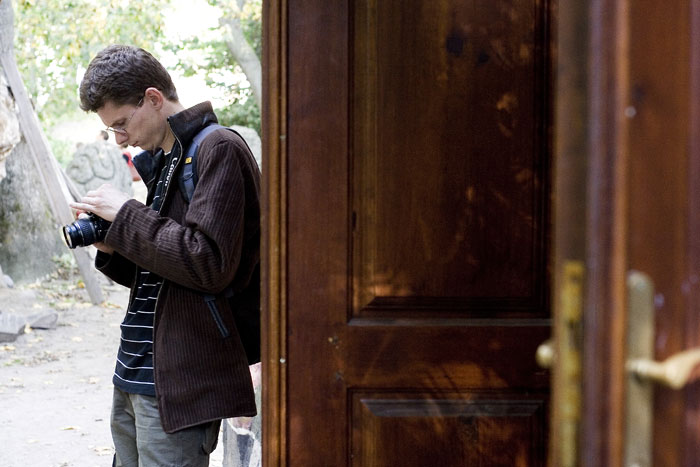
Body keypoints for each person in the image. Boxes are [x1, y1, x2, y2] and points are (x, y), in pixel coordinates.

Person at [69, 44, 260, 467]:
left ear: (153, 98)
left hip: (178, 382)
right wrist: (113, 245)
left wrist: (127, 214)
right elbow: (165, 272)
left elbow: (208, 263)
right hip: (133, 373)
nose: (120, 138)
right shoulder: (167, 159)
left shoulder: (219, 148)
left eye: (121, 124)